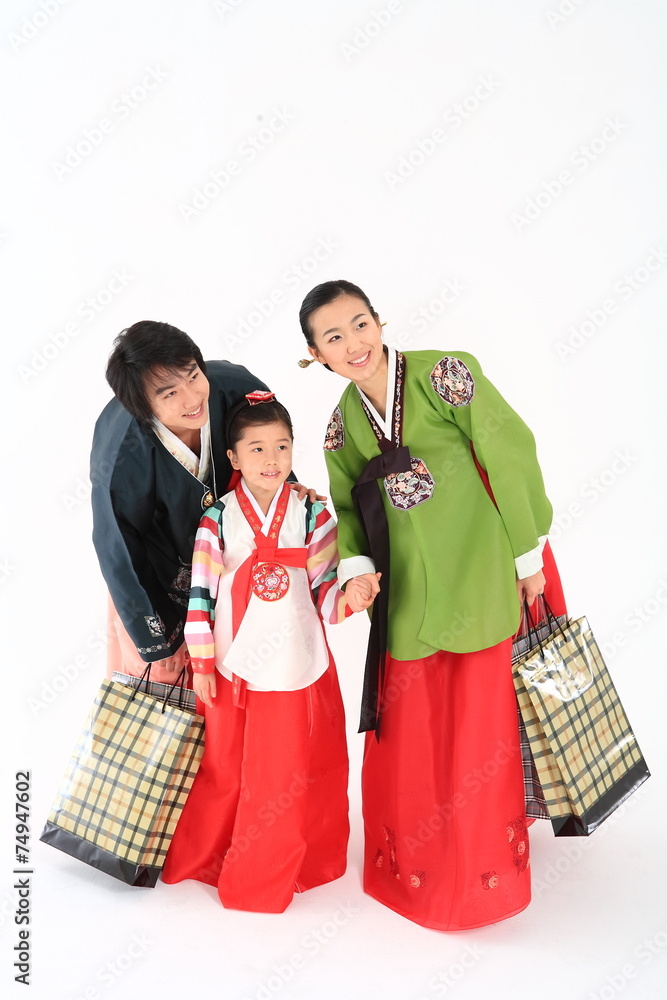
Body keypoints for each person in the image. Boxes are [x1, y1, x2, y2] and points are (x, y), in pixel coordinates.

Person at [299, 279, 567, 932]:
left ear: (379, 321)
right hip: (410, 594)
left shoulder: (446, 374)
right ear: (315, 355)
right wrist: (357, 570)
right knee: (418, 734)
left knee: (481, 732)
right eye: (333, 337)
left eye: (359, 324)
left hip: (482, 569)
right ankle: (422, 862)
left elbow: (508, 452)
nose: (353, 343)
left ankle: (482, 869)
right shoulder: (340, 428)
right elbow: (347, 512)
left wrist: (525, 555)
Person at [161, 391, 372, 912]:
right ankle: (215, 857)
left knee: (287, 771)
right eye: (256, 449)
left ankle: (284, 868)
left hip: (296, 660)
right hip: (232, 663)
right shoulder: (217, 518)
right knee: (226, 766)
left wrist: (352, 596)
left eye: (282, 446)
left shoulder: (312, 512)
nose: (271, 459)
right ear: (233, 457)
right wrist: (202, 662)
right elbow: (202, 595)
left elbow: (324, 590)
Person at [90, 321, 317, 686]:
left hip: (231, 569)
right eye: (169, 393)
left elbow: (269, 447)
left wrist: (289, 493)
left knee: (241, 679)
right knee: (163, 685)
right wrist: (161, 641)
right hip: (156, 579)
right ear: (141, 405)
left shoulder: (238, 389)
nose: (192, 398)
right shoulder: (121, 449)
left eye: (194, 376)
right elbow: (118, 546)